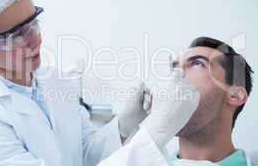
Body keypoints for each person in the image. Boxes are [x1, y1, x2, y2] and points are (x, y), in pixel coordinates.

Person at [0, 0, 151, 166]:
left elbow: (86, 151)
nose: (36, 40)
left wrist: (125, 124)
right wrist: (158, 133)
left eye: (34, 23)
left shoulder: (56, 81)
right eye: (16, 35)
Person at [99, 37, 257, 166]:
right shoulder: (141, 159)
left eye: (197, 64)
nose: (177, 75)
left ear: (235, 96)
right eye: (174, 67)